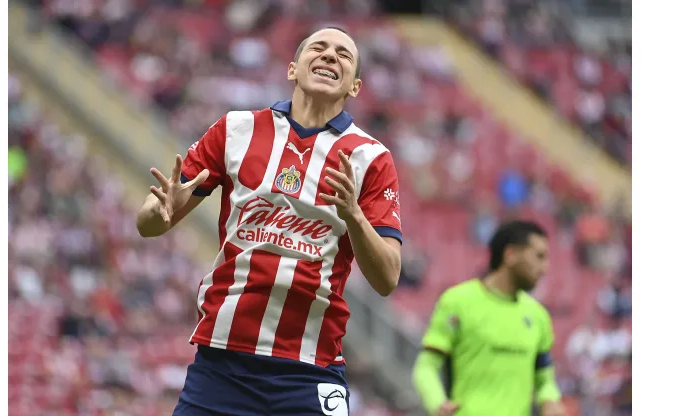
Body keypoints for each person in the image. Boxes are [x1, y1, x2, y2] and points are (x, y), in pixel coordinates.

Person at [136, 26, 403, 416]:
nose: (330, 56)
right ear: (293, 69)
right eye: (319, 48)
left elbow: (387, 278)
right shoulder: (237, 129)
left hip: (310, 371)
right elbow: (149, 224)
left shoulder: (372, 158)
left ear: (355, 87)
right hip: (222, 366)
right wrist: (157, 210)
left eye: (343, 54)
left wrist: (354, 216)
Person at [412, 220, 565, 416]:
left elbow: (545, 379)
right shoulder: (458, 302)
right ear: (510, 255)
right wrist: (436, 403)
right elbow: (426, 367)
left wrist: (550, 400)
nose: (545, 268)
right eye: (539, 257)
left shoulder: (538, 316)